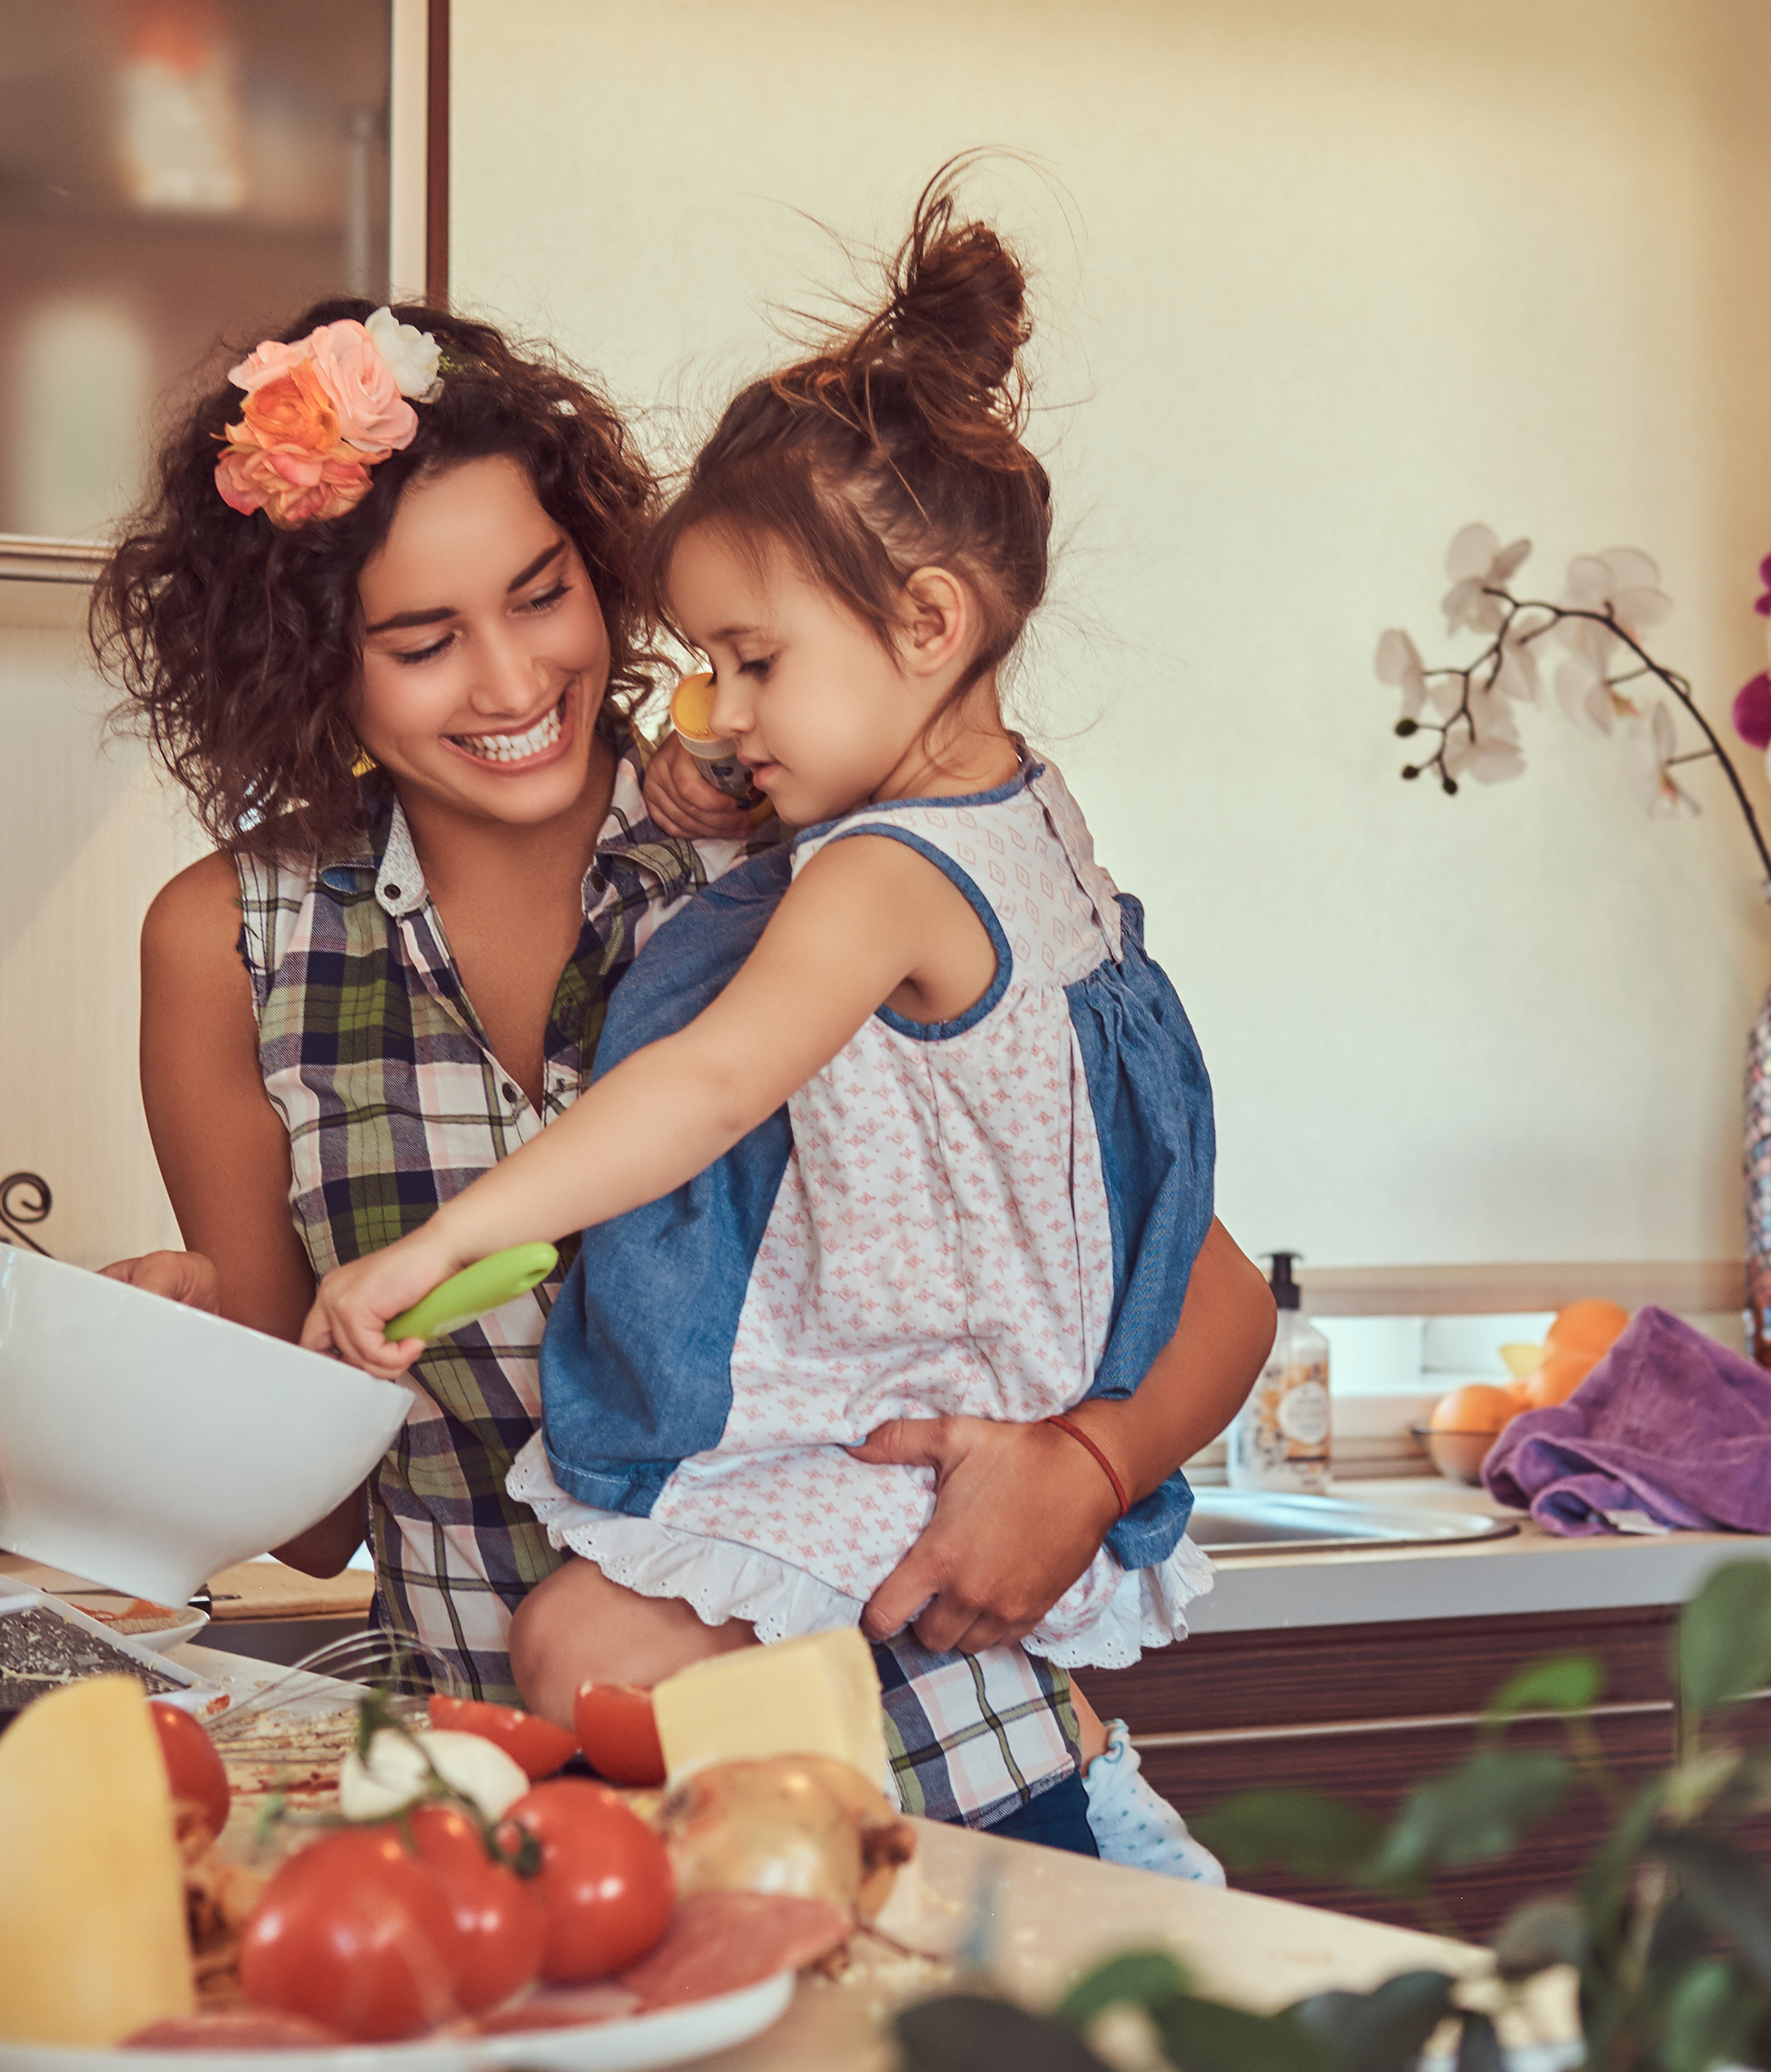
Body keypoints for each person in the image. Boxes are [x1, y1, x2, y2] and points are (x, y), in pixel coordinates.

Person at [93, 287, 1273, 1859]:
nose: (513, 683)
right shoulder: (230, 949)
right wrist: (172, 1375)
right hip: (545, 1841)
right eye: (426, 640)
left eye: (543, 596)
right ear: (321, 668)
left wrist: (1086, 1465)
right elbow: (311, 1520)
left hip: (952, 1772)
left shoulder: (799, 841)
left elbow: (1206, 1296)